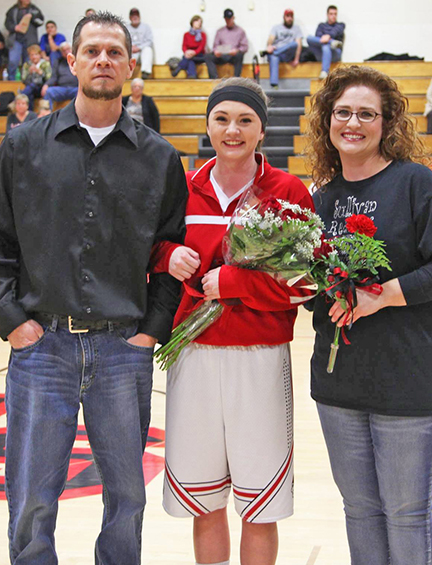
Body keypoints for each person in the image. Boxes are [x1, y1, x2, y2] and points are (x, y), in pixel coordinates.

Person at [0, 10, 187, 564]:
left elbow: (169, 253)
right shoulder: (21, 147)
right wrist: (12, 322)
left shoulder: (159, 158)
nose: (103, 60)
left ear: (130, 65)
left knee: (127, 497)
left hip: (122, 349)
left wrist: (151, 331)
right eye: (93, 51)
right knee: (32, 497)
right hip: (42, 346)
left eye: (114, 52)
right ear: (72, 59)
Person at [152, 77, 314, 565]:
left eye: (245, 120)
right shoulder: (182, 188)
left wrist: (237, 283)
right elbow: (148, 248)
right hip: (193, 356)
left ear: (262, 129)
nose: (233, 130)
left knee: (259, 507)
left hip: (259, 359)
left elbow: (304, 283)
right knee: (205, 502)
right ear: (208, 125)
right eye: (222, 119)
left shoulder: (287, 190)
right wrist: (167, 255)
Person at [306, 64, 432, 564]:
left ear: (387, 122)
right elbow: (317, 288)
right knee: (359, 509)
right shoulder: (319, 199)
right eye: (343, 112)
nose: (353, 122)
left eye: (366, 113)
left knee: (407, 513)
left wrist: (385, 294)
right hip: (339, 384)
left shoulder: (416, 184)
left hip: (407, 379)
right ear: (328, 121)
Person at [261, 8, 302, 89]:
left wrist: (296, 59)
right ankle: (274, 84)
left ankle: (275, 52)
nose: (289, 18)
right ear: (284, 17)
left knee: (294, 44)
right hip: (277, 54)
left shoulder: (297, 28)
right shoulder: (276, 27)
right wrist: (269, 46)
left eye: (291, 16)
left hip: (287, 54)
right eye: (287, 16)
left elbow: (299, 44)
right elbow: (270, 39)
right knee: (274, 57)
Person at [4, 0, 44, 80]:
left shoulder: (34, 9)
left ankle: (26, 81)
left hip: (30, 40)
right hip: (16, 39)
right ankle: (11, 80)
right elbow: (7, 23)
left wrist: (32, 16)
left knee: (28, 62)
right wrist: (15, 27)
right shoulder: (13, 9)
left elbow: (41, 22)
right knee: (13, 61)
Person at [205, 9, 248, 79]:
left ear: (233, 18)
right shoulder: (220, 31)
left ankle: (236, 78)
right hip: (222, 54)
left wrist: (236, 50)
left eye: (230, 19)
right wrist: (216, 51)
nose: (228, 21)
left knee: (240, 55)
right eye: (227, 19)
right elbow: (215, 46)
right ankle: (214, 78)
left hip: (234, 55)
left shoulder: (240, 31)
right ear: (225, 19)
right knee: (208, 56)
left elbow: (245, 47)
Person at [307, 5, 345, 80]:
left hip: (335, 53)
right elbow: (318, 36)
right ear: (327, 15)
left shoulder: (340, 25)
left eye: (335, 14)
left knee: (325, 46)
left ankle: (324, 71)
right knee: (309, 38)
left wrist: (328, 36)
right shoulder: (321, 25)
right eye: (331, 14)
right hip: (321, 54)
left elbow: (336, 32)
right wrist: (329, 40)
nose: (333, 16)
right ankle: (332, 42)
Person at [41, 41, 78, 109]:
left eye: (68, 49)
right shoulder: (58, 62)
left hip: (75, 88)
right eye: (64, 50)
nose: (66, 52)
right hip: (62, 89)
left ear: (72, 49)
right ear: (61, 53)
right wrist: (46, 85)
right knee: (49, 92)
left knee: (82, 93)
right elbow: (53, 77)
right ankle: (46, 115)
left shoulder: (77, 61)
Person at [20, 43, 51, 109]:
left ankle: (21, 95)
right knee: (30, 94)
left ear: (40, 55)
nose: (34, 57)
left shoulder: (45, 64)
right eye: (32, 55)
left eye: (36, 54)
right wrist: (29, 73)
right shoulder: (27, 65)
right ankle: (30, 114)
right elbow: (23, 79)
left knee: (32, 87)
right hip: (30, 88)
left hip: (41, 88)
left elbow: (49, 78)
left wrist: (41, 73)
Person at [126, 7, 153, 79]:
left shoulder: (146, 27)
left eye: (136, 15)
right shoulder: (126, 28)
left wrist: (139, 48)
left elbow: (149, 41)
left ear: (139, 16)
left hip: (142, 49)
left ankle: (145, 72)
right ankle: (127, 73)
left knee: (148, 49)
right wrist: (131, 47)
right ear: (130, 17)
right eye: (133, 16)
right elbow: (123, 40)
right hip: (131, 50)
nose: (135, 17)